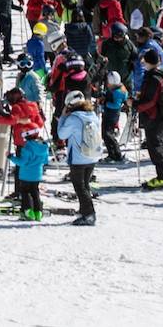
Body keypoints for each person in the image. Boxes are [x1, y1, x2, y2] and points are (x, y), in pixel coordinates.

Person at [56, 89, 102, 225]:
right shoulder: (93, 115)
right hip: (92, 155)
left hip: (78, 157)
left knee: (79, 186)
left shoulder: (73, 118)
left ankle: (89, 214)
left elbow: (61, 135)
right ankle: (84, 210)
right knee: (85, 184)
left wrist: (62, 118)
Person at [134, 50, 163, 189]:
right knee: (155, 147)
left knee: (156, 148)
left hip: (155, 116)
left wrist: (136, 105)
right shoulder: (158, 75)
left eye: (144, 61)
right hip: (158, 115)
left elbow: (151, 100)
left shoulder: (154, 78)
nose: (142, 63)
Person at [9, 129, 49, 220]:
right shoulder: (44, 147)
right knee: (35, 193)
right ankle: (38, 212)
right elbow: (45, 161)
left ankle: (28, 211)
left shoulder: (27, 147)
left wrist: (11, 157)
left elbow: (22, 162)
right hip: (37, 175)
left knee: (25, 192)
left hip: (26, 175)